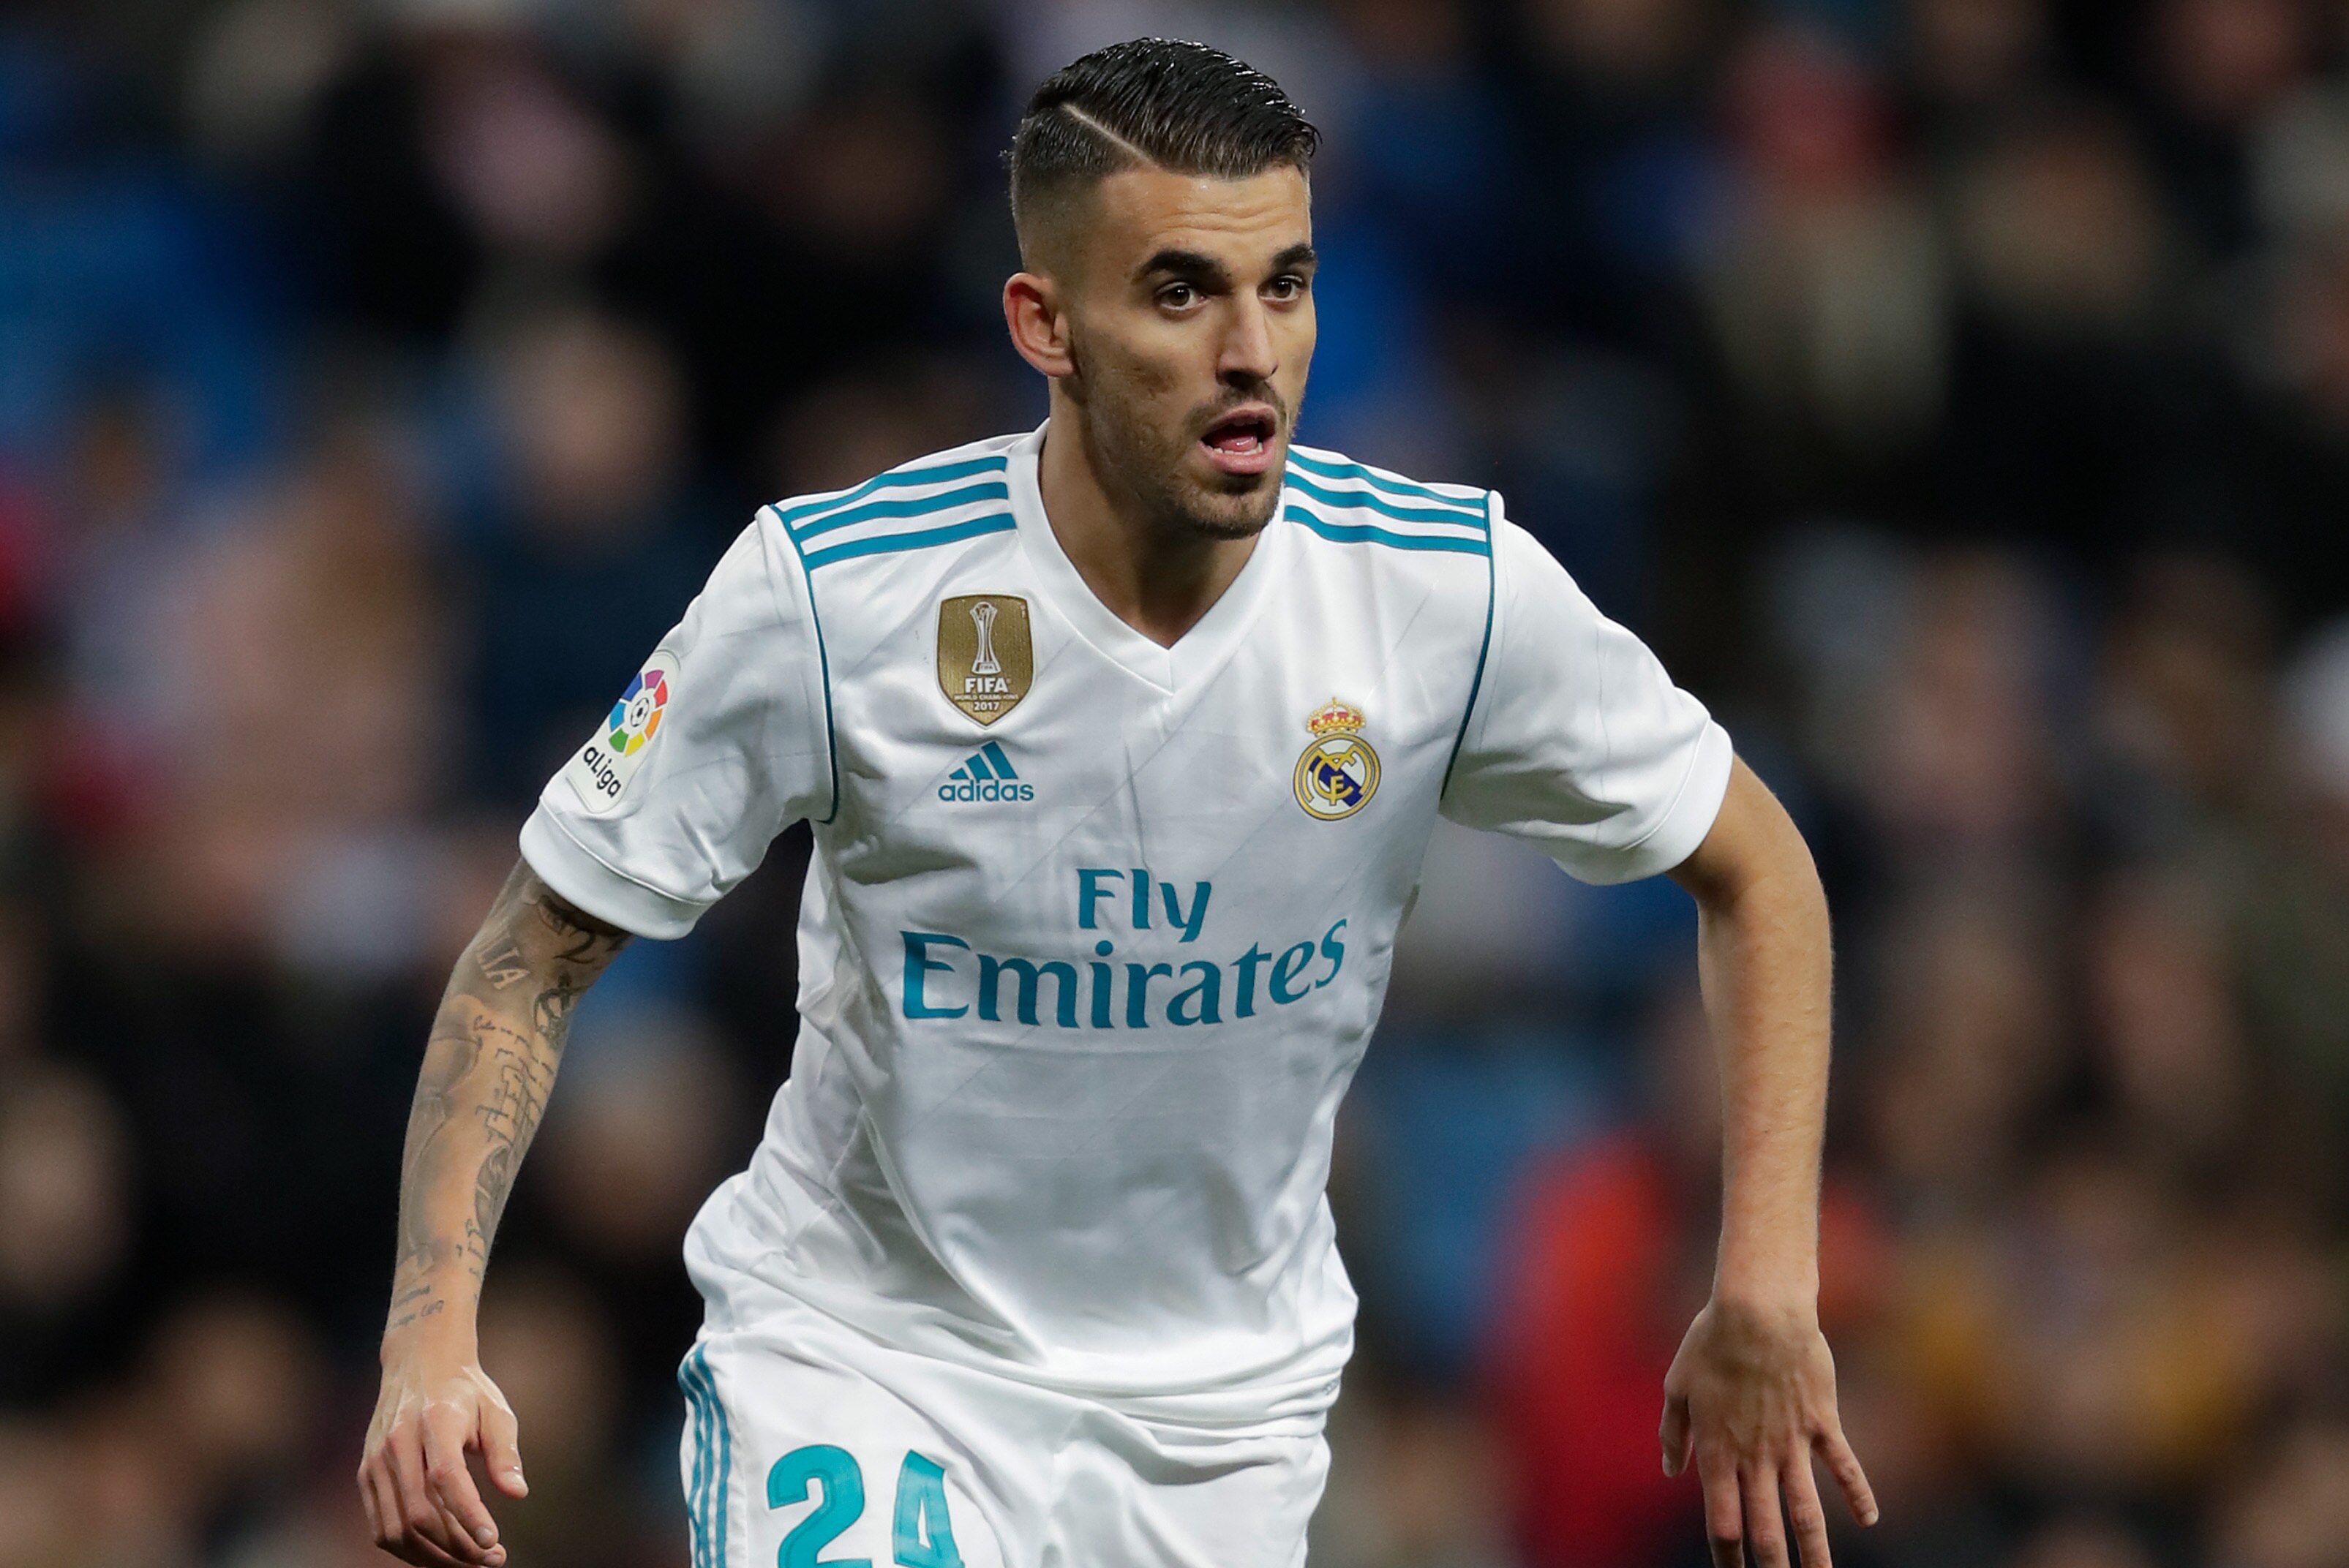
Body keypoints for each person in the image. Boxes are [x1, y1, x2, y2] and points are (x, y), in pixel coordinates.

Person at [358, 38, 1876, 1568]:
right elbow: (528, 957)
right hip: (871, 1365)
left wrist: (1763, 1284)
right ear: (1045, 322)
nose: (1250, 351)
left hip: (1218, 1429)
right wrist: (430, 1330)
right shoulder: (839, 595)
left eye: (1283, 284)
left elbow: (1759, 869)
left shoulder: (1441, 597)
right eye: (1179, 292)